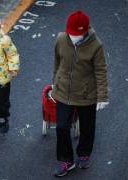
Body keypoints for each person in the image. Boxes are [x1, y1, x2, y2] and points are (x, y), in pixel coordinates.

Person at [52, 10, 109, 177]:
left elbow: (100, 71)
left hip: (86, 94)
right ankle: (66, 160)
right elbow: (57, 62)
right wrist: (55, 83)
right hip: (63, 92)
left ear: (85, 31)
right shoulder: (61, 39)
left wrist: (102, 96)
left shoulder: (96, 45)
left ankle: (84, 153)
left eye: (77, 34)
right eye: (71, 33)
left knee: (87, 126)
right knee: (61, 126)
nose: (73, 36)